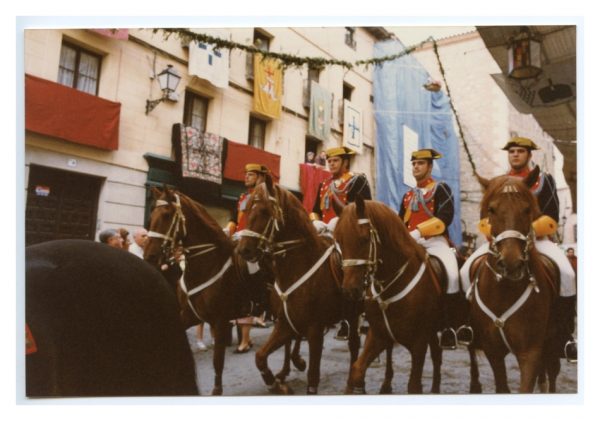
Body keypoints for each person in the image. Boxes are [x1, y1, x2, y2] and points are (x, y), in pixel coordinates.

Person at [460, 136, 577, 361]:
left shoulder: (544, 181)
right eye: (512, 151)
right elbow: (485, 217)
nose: (515, 154)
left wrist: (527, 233)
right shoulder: (497, 183)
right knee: (465, 272)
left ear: (529, 155)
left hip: (538, 239)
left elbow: (551, 216)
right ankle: (471, 327)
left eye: (520, 151)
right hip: (502, 241)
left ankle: (565, 334)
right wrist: (494, 233)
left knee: (568, 274)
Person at [398, 148, 464, 349]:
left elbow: (445, 218)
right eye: (414, 164)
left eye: (420, 164)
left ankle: (450, 327)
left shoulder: (441, 189)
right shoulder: (408, 195)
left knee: (452, 276)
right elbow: (401, 221)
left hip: (436, 242)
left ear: (430, 166)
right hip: (412, 243)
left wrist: (419, 231)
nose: (416, 167)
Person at [310, 146, 371, 340]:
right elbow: (314, 209)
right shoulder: (324, 185)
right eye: (329, 161)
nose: (331, 164)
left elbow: (361, 209)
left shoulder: (357, 181)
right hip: (325, 231)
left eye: (335, 160)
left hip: (347, 232)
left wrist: (339, 221)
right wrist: (314, 221)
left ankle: (352, 313)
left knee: (349, 266)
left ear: (345, 162)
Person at [225, 163, 271, 354]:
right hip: (240, 238)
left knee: (251, 271)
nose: (246, 177)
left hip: (257, 240)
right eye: (246, 174)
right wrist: (229, 228)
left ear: (260, 177)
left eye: (251, 174)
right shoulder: (243, 197)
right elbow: (235, 219)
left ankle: (260, 293)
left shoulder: (264, 197)